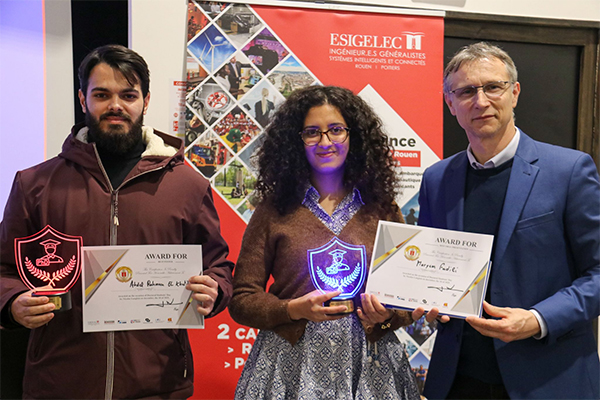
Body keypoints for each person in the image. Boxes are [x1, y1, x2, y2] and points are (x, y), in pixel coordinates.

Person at [0, 44, 234, 399]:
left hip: (157, 385)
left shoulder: (188, 186)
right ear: (83, 99)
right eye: (102, 95)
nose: (116, 105)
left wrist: (215, 289)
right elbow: (4, 269)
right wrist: (13, 301)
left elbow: (218, 265)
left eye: (128, 95)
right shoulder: (35, 185)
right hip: (60, 384)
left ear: (145, 100)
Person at [229, 85, 435, 399]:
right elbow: (242, 299)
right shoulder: (273, 210)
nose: (325, 142)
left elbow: (406, 300)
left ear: (355, 136)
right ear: (296, 141)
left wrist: (386, 317)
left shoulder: (382, 209)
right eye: (312, 132)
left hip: (372, 368)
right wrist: (291, 309)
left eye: (336, 130)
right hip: (289, 368)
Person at [419, 42, 600, 399]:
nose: (480, 101)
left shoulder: (569, 171)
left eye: (493, 87)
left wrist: (537, 319)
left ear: (514, 93)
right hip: (458, 382)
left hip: (549, 380)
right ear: (450, 104)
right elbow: (433, 270)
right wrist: (424, 301)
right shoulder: (436, 179)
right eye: (466, 91)